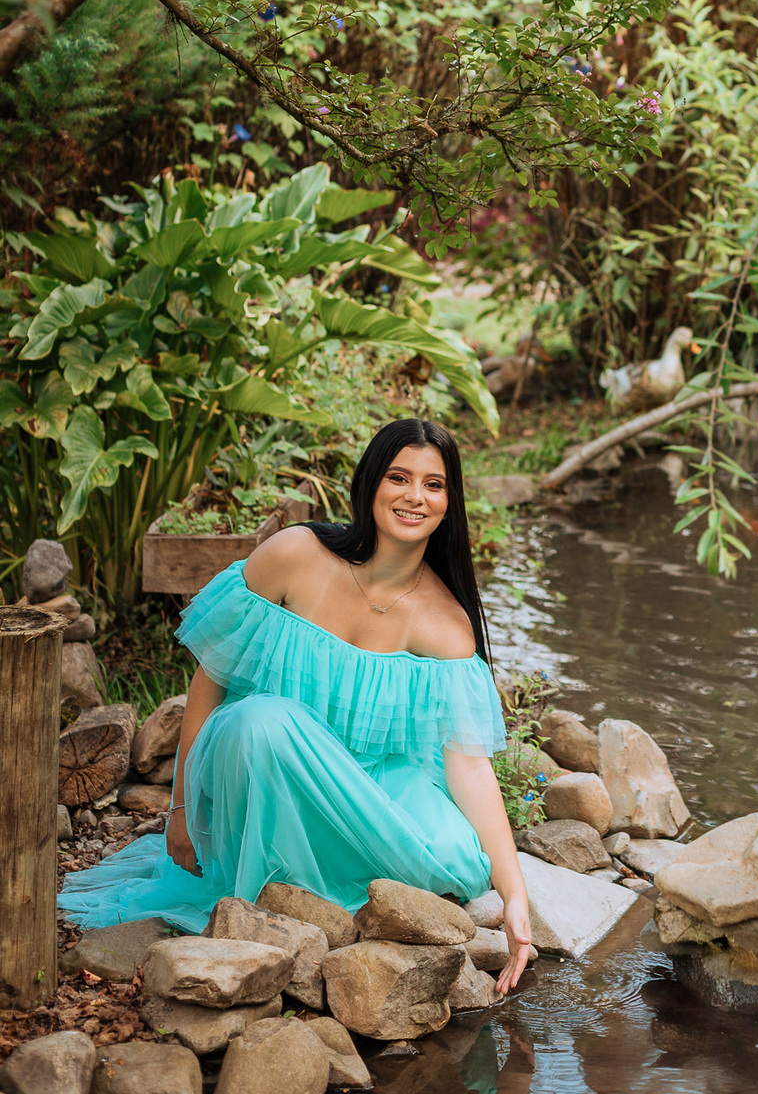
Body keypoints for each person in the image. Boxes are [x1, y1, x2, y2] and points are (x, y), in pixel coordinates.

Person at [60, 419, 533, 997]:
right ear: (369, 484)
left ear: (449, 501)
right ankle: (270, 901)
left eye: (433, 485)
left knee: (455, 857)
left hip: (361, 779)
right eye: (398, 477)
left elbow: (470, 766)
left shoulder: (446, 624)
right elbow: (210, 680)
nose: (415, 496)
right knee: (266, 720)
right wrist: (180, 808)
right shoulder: (294, 554)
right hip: (254, 762)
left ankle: (313, 901)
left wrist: (515, 897)